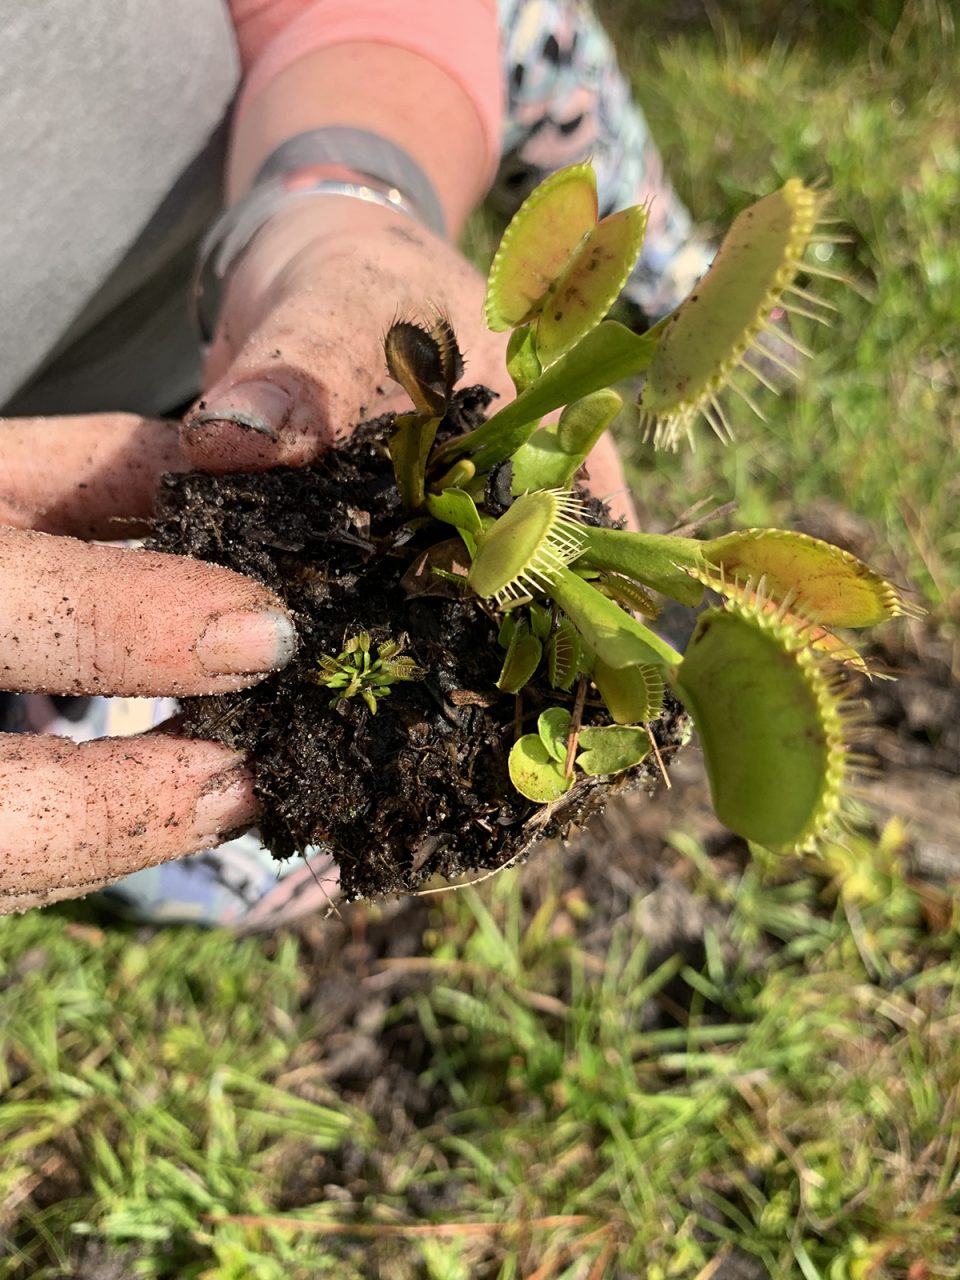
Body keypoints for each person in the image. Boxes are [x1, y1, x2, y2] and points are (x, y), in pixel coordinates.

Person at [0, 0, 711, 926]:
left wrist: (340, 206)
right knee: (199, 832)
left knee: (519, 30)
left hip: (251, 319)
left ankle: (660, 252)